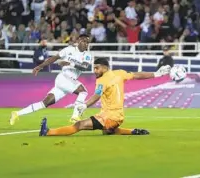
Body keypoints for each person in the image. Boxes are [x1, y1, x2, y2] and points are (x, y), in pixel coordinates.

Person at [39, 58, 171, 136]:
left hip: (110, 116)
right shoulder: (120, 73)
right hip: (117, 116)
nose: (94, 71)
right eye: (94, 68)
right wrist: (156, 74)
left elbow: (97, 95)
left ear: (104, 68)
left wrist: (84, 105)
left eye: (97, 68)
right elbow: (137, 75)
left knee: (79, 125)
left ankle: (48, 132)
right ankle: (134, 131)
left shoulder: (102, 80)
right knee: (108, 131)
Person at [10, 34, 92, 125]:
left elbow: (84, 67)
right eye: (85, 41)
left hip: (68, 82)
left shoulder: (87, 55)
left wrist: (70, 63)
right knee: (83, 91)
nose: (86, 44)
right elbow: (54, 58)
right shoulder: (69, 49)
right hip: (63, 77)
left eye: (88, 43)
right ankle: (75, 117)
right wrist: (40, 66)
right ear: (79, 40)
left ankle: (17, 113)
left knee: (45, 103)